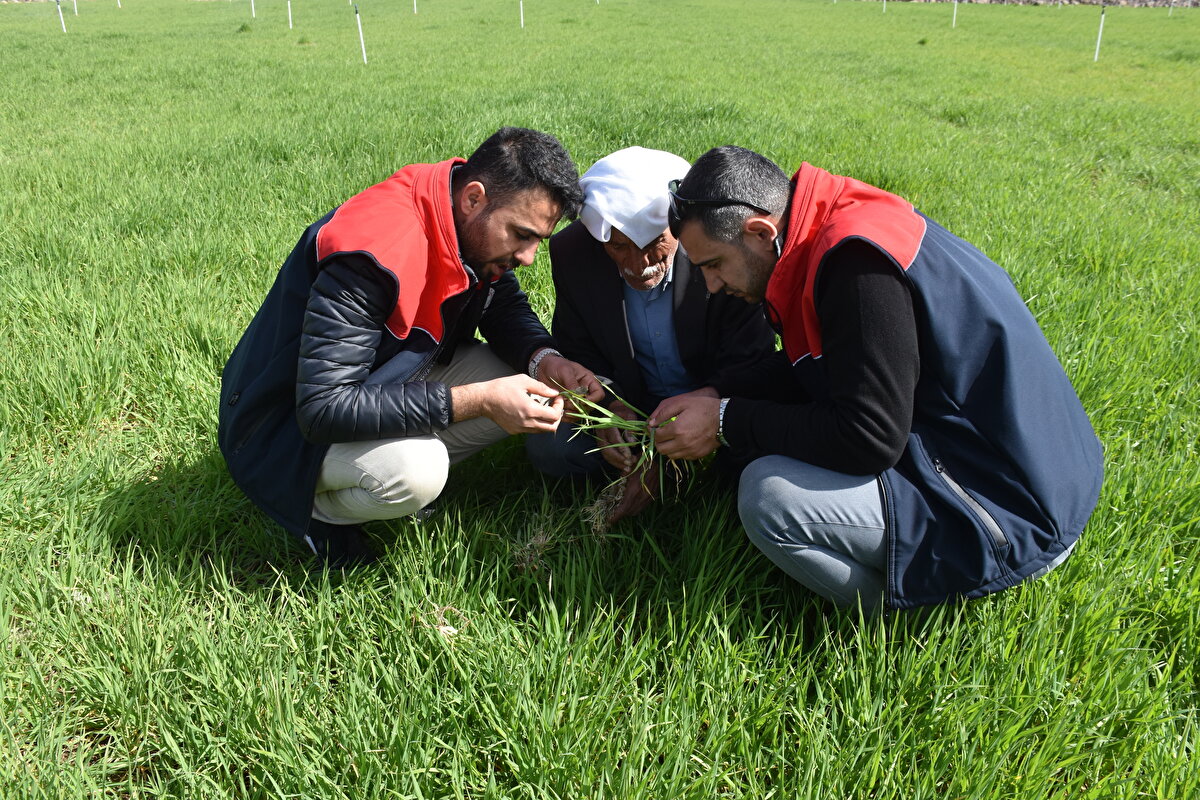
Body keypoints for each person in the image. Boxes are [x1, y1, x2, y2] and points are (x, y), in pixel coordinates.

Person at [651, 145, 1103, 610]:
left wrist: (725, 420)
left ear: (761, 232)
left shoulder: (856, 269)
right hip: (1032, 464)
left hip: (1011, 509)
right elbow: (827, 365)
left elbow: (869, 437)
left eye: (713, 265)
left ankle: (902, 625)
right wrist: (718, 393)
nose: (710, 286)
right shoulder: (835, 221)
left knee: (769, 497)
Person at [219, 127, 604, 566]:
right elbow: (323, 408)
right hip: (276, 430)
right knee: (418, 471)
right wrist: (477, 400)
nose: (529, 255)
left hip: (374, 384)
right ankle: (318, 515)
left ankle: (374, 469)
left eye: (538, 239)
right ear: (474, 198)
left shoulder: (459, 216)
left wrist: (544, 359)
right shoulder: (373, 249)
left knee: (527, 383)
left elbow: (501, 306)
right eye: (521, 234)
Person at [525, 147, 778, 521]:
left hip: (711, 402)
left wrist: (708, 411)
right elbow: (578, 345)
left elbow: (751, 358)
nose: (638, 265)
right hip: (634, 403)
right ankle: (635, 460)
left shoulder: (720, 250)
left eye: (654, 245)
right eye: (618, 247)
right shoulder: (573, 254)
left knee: (757, 458)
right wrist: (609, 409)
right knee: (550, 446)